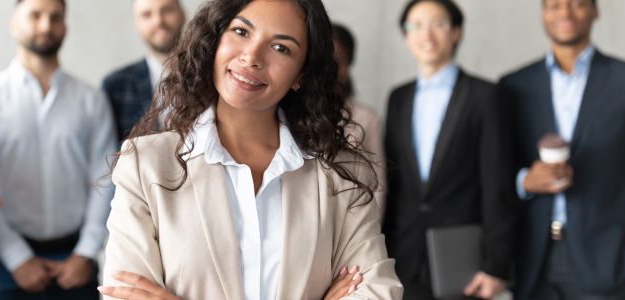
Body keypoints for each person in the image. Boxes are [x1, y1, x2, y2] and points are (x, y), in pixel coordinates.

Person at [96, 0, 403, 299]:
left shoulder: (343, 174)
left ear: (301, 75)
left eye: (281, 47)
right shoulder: (145, 164)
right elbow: (123, 294)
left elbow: (378, 291)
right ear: (215, 39)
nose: (252, 57)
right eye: (241, 32)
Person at [499, 0, 625, 299]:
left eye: (576, 3)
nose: (565, 12)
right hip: (530, 256)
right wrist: (524, 181)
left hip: (604, 257)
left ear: (595, 10)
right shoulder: (513, 86)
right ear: (543, 13)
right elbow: (496, 169)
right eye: (554, 5)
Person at [0, 0, 117, 299]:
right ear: (14, 24)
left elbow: (104, 179)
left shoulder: (90, 100)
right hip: (9, 262)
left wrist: (86, 253)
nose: (46, 25)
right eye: (35, 15)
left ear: (65, 28)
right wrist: (16, 256)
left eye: (55, 17)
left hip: (77, 260)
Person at [381, 0, 517, 299]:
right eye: (415, 26)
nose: (425, 34)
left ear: (456, 32)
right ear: (405, 35)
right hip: (403, 255)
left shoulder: (486, 96)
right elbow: (393, 181)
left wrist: (497, 265)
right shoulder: (398, 98)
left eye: (437, 24)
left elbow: (498, 185)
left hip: (464, 259)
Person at [103, 0, 187, 141]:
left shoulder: (210, 76)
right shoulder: (115, 86)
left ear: (182, 15)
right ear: (136, 24)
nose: (158, 21)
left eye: (166, 10)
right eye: (147, 15)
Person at [330, 23, 387, 209]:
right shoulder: (287, 115)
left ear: (349, 64)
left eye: (338, 61)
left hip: (353, 222)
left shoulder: (366, 118)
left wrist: (369, 231)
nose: (330, 69)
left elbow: (377, 184)